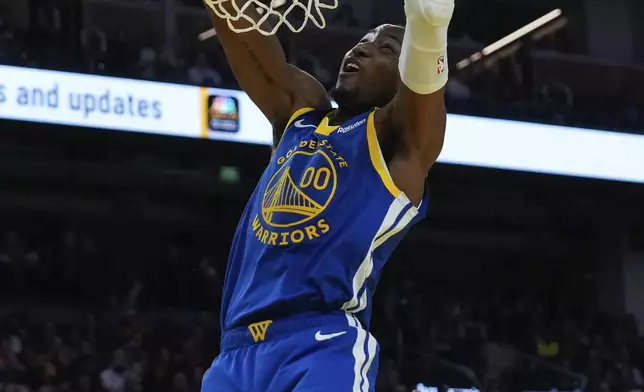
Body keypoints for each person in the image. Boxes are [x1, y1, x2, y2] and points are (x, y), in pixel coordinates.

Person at [200, 0, 454, 390]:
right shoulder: (301, 111)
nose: (362, 49)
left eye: (386, 49)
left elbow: (423, 93)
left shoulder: (397, 141)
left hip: (320, 344)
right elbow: (240, 32)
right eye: (363, 42)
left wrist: (428, 24)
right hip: (234, 353)